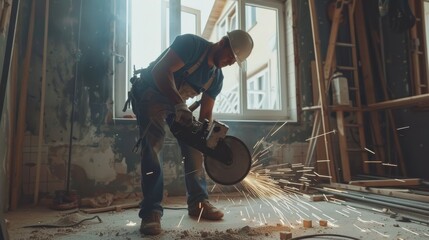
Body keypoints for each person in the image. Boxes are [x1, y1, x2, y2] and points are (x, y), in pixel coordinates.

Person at [126, 29, 253, 236]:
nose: (231, 62)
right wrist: (178, 103)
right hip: (150, 92)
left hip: (177, 104)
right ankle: (151, 212)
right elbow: (160, 71)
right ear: (222, 42)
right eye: (231, 56)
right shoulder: (191, 45)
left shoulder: (216, 78)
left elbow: (207, 112)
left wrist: (206, 137)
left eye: (234, 61)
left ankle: (198, 202)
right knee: (153, 146)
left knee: (196, 146)